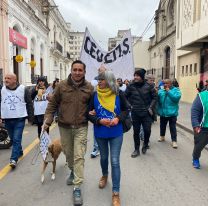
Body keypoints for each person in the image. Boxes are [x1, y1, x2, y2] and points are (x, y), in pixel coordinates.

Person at [43, 60, 93, 206]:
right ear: (71, 70)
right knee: (68, 154)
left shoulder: (89, 87)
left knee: (79, 156)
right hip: (64, 126)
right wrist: (47, 120)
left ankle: (77, 187)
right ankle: (72, 171)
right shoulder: (61, 86)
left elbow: (94, 105)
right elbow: (52, 104)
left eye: (80, 70)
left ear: (84, 72)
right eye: (75, 69)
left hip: (81, 127)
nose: (77, 72)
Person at [88, 71, 130, 206]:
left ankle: (116, 192)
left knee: (115, 161)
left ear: (109, 80)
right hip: (100, 132)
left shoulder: (119, 94)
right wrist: (98, 120)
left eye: (102, 79)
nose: (99, 81)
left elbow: (126, 109)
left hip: (116, 132)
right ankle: (105, 175)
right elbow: (87, 113)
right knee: (104, 158)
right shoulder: (94, 95)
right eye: (98, 79)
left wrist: (118, 118)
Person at [0, 73, 33, 168]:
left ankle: (13, 159)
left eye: (8, 78)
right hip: (7, 118)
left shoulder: (23, 89)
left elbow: (29, 103)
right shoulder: (2, 90)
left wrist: (31, 118)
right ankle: (20, 151)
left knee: (17, 138)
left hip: (19, 118)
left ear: (15, 80)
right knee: (13, 138)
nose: (6, 80)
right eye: (5, 78)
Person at [125, 69, 157, 157]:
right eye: (134, 75)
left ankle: (145, 144)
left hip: (146, 113)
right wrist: (129, 106)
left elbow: (155, 97)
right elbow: (124, 97)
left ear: (142, 77)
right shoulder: (130, 86)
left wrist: (150, 107)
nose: (135, 77)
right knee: (136, 132)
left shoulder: (149, 86)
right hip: (135, 113)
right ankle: (136, 149)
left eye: (137, 76)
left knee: (147, 130)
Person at [157, 79, 181, 148]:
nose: (165, 85)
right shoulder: (161, 91)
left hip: (172, 113)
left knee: (172, 127)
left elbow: (176, 99)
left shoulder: (176, 90)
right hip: (163, 112)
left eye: (167, 83)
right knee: (162, 125)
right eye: (164, 83)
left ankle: (174, 141)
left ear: (171, 84)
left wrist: (168, 91)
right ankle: (162, 136)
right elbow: (158, 101)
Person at [90, 65, 106, 158]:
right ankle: (96, 148)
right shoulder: (94, 81)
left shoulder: (110, 80)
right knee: (97, 127)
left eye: (103, 71)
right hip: (97, 108)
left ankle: (104, 147)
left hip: (108, 109)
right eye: (100, 71)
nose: (101, 72)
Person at [191, 89, 208, 169]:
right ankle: (195, 158)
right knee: (199, 145)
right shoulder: (201, 96)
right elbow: (195, 111)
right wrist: (195, 124)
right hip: (203, 126)